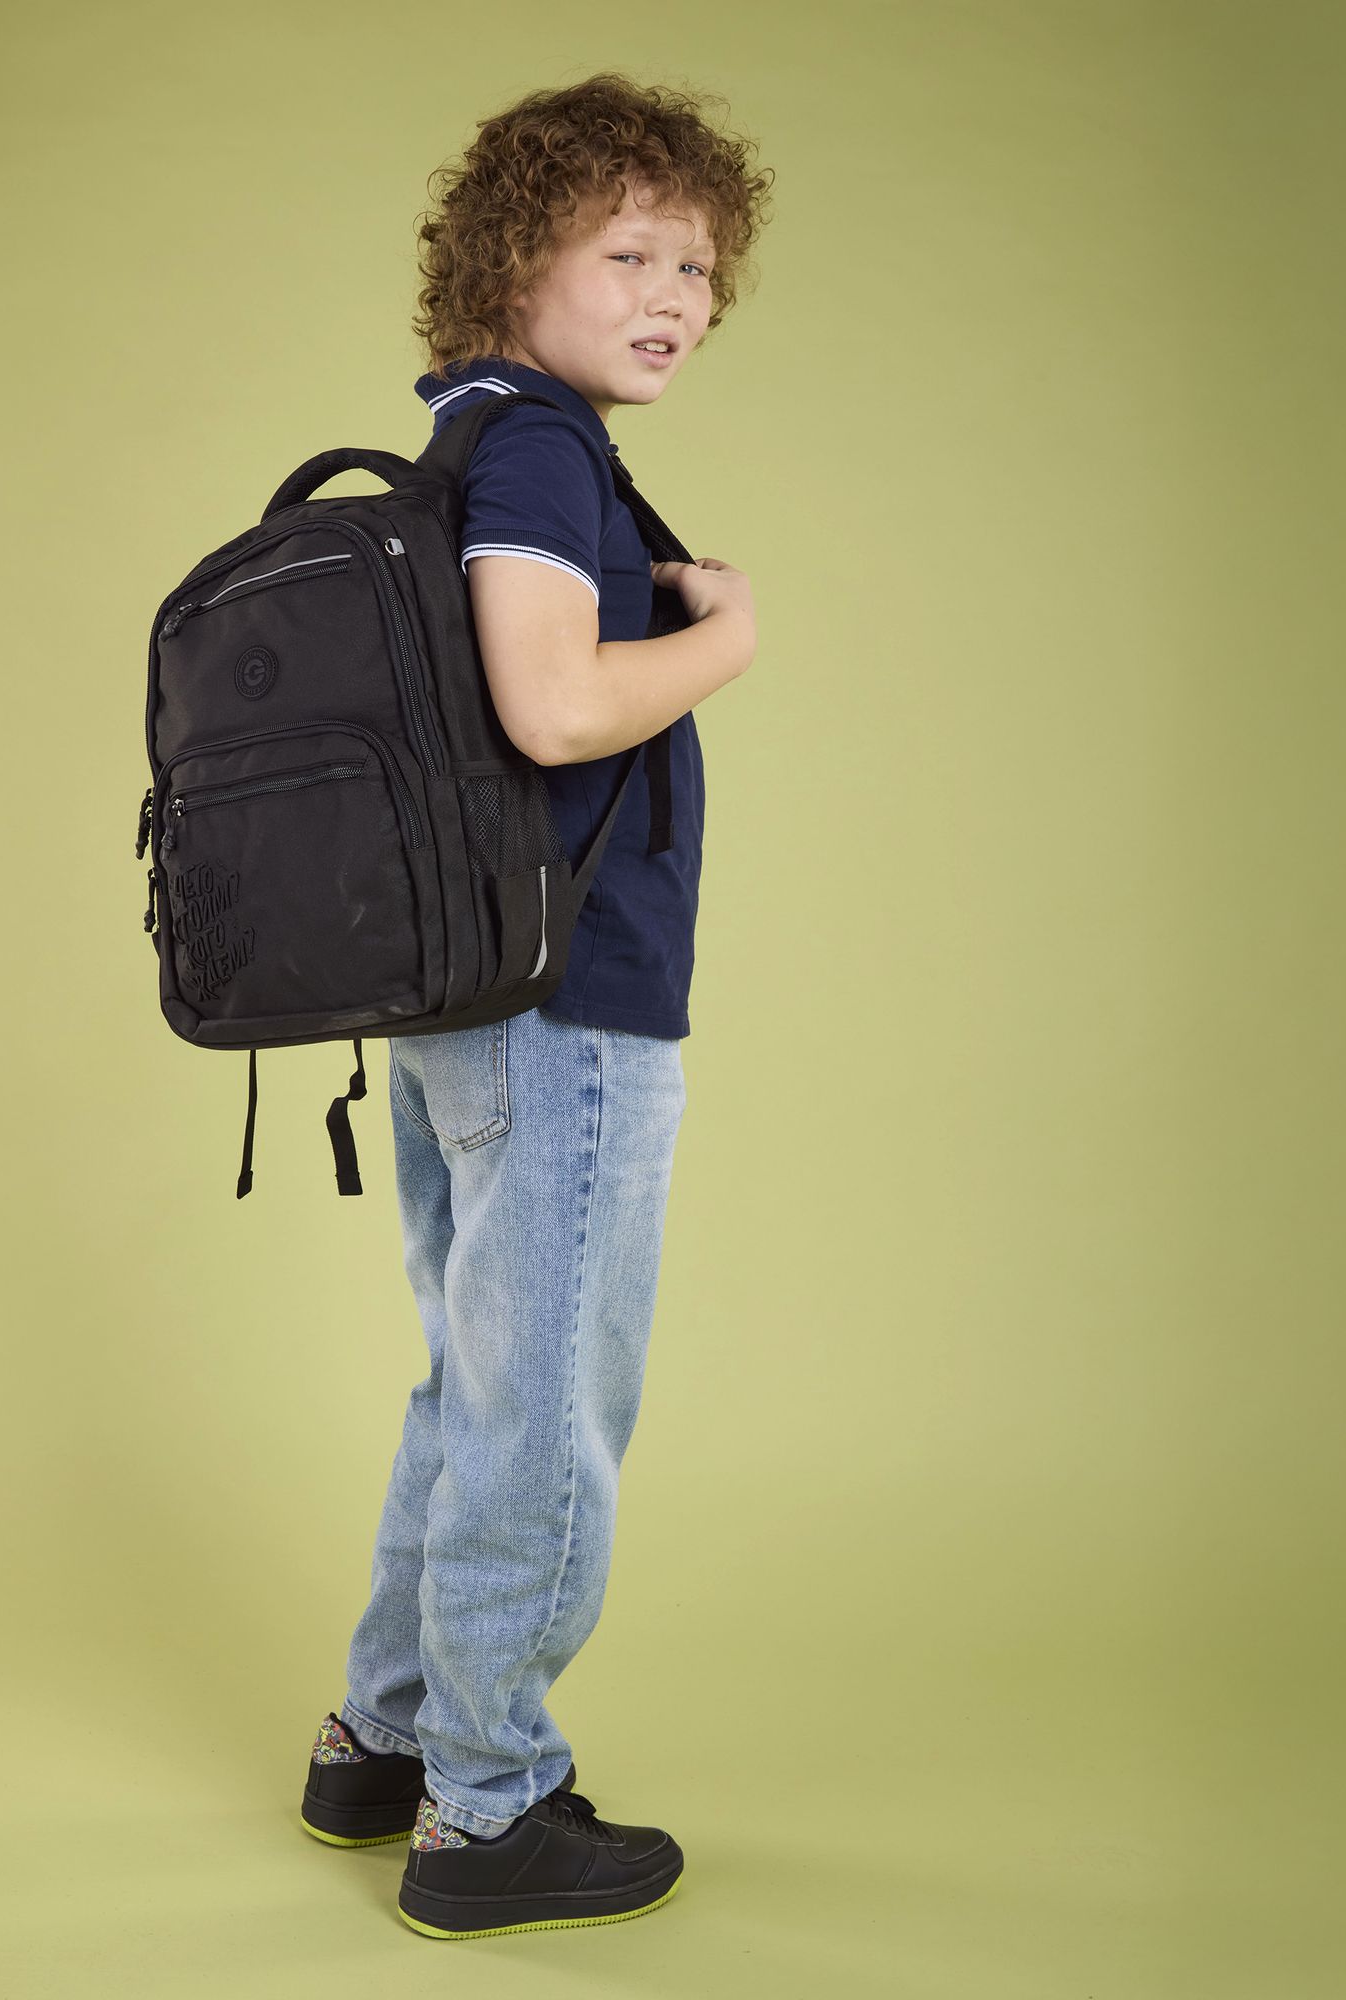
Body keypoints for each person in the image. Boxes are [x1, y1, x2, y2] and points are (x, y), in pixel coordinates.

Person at [298, 71, 772, 1940]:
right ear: (516, 261)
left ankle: (385, 1738)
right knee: (546, 1407)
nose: (675, 297)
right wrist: (725, 638)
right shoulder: (543, 452)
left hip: (473, 986)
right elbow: (556, 710)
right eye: (631, 252)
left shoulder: (476, 440)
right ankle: (486, 1814)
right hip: (561, 1008)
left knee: (479, 1383)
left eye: (699, 267)